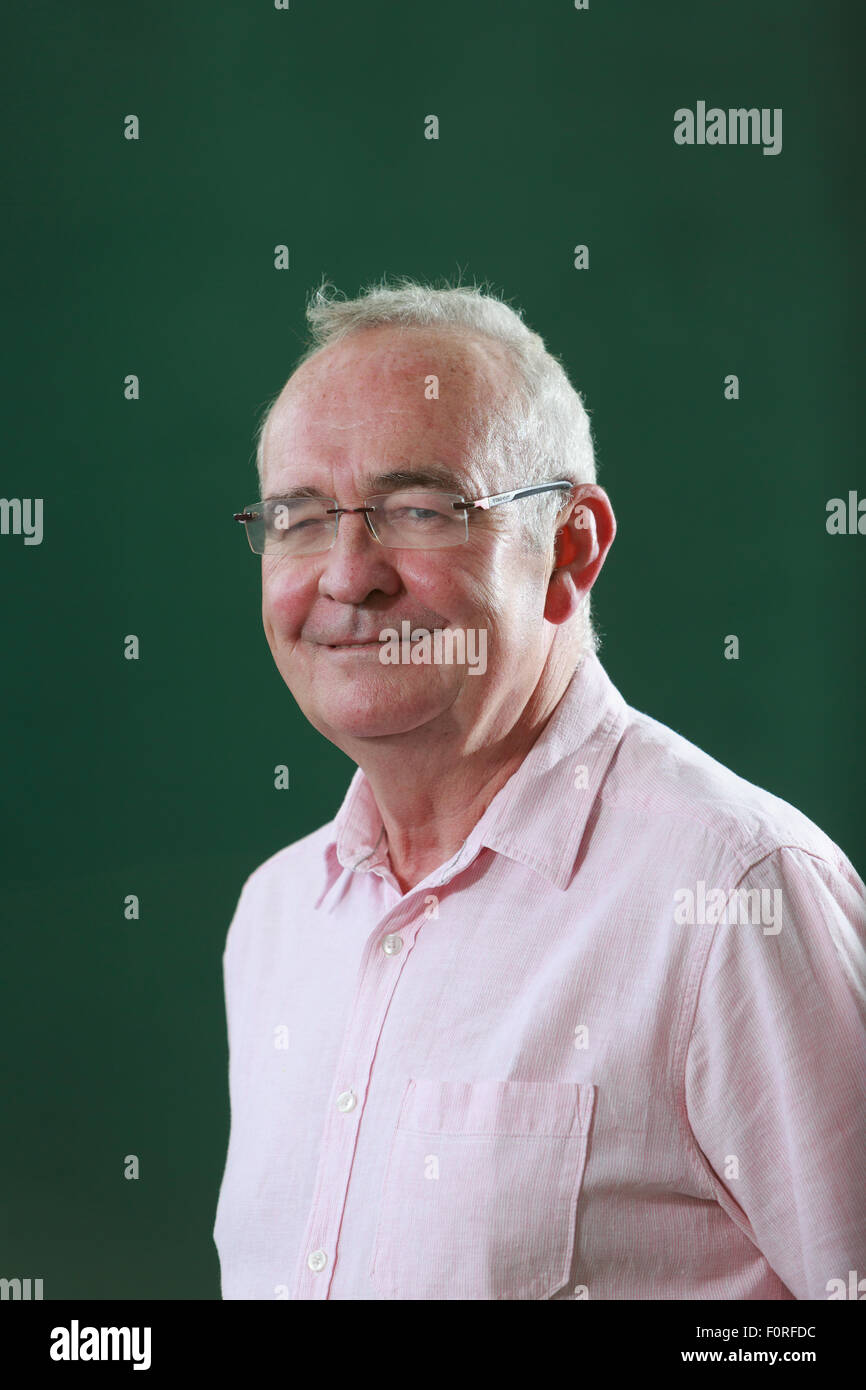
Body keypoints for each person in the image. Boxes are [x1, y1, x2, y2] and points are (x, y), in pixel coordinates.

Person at [213, 276, 866, 1300]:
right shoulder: (278, 917)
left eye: (417, 509)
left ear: (570, 548)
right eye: (298, 518)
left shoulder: (737, 896)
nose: (345, 576)